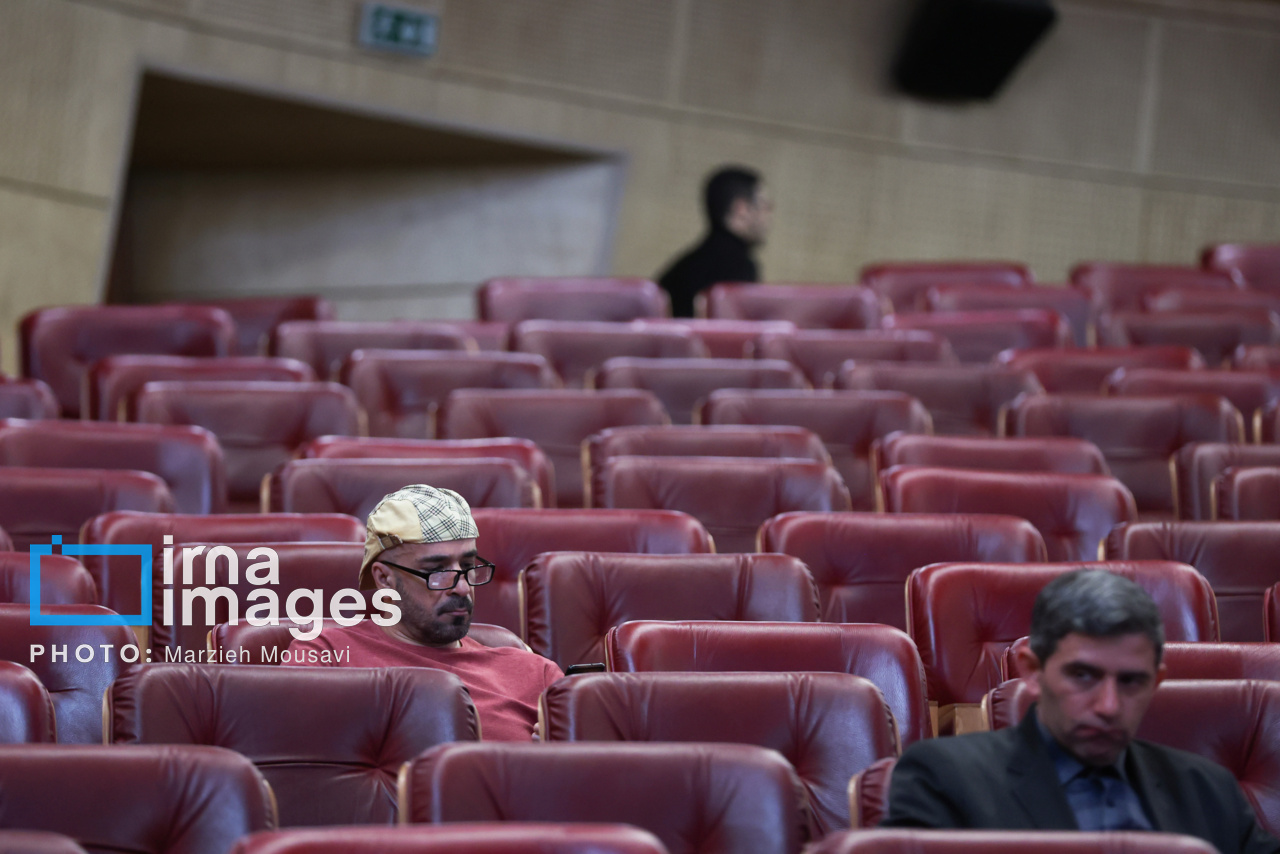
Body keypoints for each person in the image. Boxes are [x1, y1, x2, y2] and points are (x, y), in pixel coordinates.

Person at [884, 569, 1280, 853]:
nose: (1108, 706)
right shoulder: (944, 779)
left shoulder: (1208, 791)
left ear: (1156, 683)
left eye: (1130, 682)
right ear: (1033, 671)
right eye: (1083, 676)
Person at [285, 483, 563, 741]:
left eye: (467, 566)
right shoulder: (325, 656)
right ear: (384, 579)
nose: (463, 588)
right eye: (436, 571)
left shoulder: (534, 673)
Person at [657, 165, 772, 317]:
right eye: (766, 207)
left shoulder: (681, 268)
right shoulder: (739, 269)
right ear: (741, 210)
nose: (769, 217)